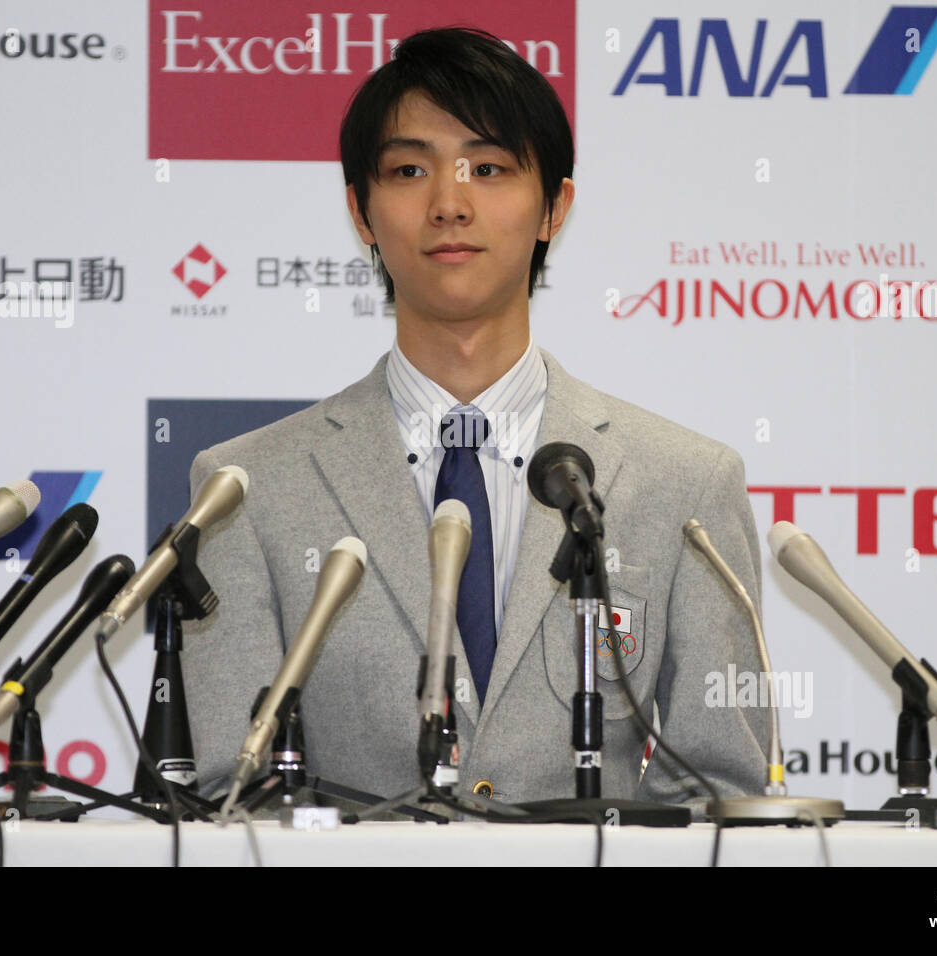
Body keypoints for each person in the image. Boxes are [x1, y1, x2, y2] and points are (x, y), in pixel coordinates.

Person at [183, 26, 770, 806]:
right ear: (361, 211)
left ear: (553, 207)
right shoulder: (250, 487)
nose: (449, 203)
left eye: (488, 168)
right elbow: (231, 786)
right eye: (410, 170)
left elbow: (723, 787)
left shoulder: (685, 481)